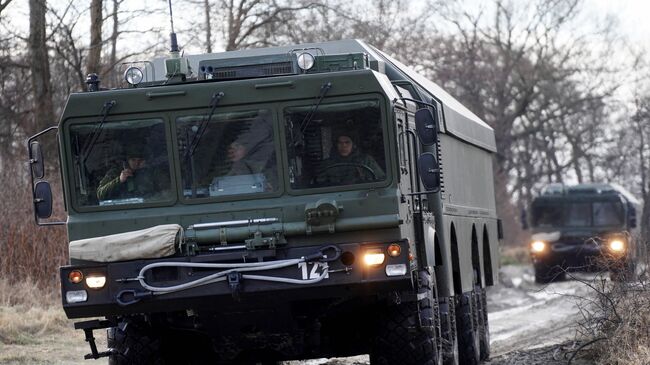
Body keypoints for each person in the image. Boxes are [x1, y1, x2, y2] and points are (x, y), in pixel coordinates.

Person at [96, 144, 169, 201]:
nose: (136, 163)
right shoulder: (115, 172)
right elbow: (100, 194)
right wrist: (119, 180)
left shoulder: (152, 172)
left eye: (139, 160)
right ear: (127, 160)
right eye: (133, 160)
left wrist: (146, 170)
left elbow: (166, 191)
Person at [317, 133, 385, 185]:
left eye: (347, 142)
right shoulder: (327, 164)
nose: (343, 146)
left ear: (353, 145)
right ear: (336, 145)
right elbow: (319, 186)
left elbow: (381, 180)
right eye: (340, 143)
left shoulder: (366, 160)